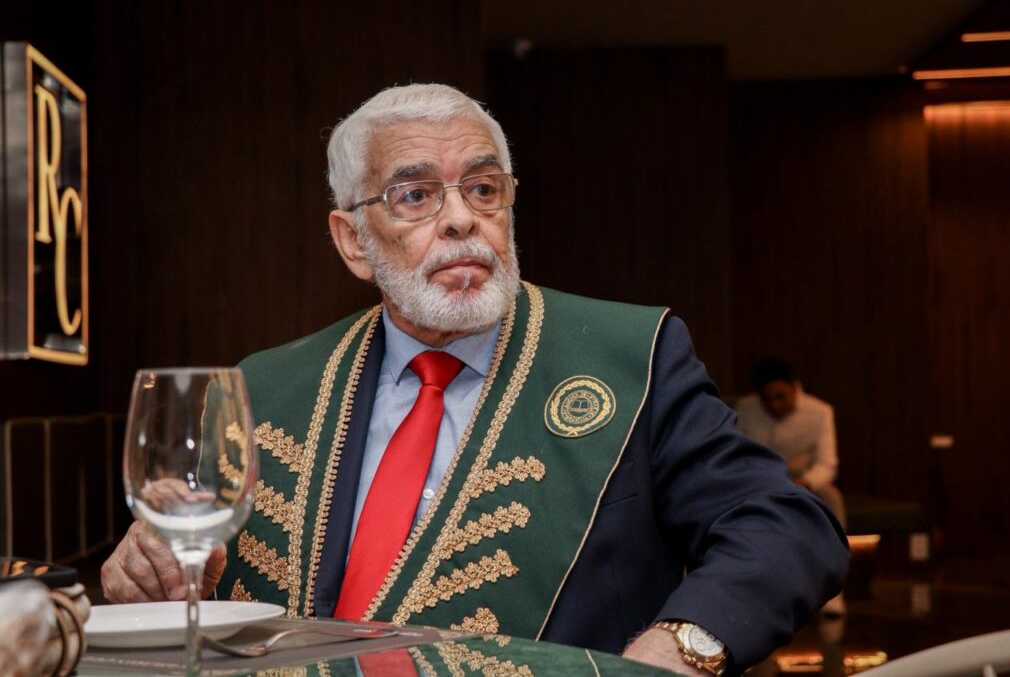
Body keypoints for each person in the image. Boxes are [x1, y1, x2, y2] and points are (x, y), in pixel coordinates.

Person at [102, 84, 848, 675]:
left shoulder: (633, 356)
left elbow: (786, 524)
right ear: (353, 241)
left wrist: (680, 646)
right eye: (416, 195)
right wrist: (150, 570)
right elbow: (186, 565)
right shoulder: (265, 386)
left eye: (484, 188)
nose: (462, 218)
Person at [736, 357, 848, 616]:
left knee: (831, 498)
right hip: (758, 483)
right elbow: (739, 455)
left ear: (794, 388)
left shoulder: (820, 412)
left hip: (805, 483)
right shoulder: (746, 410)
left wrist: (805, 482)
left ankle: (834, 590)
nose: (775, 405)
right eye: (768, 399)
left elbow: (827, 464)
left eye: (781, 397)